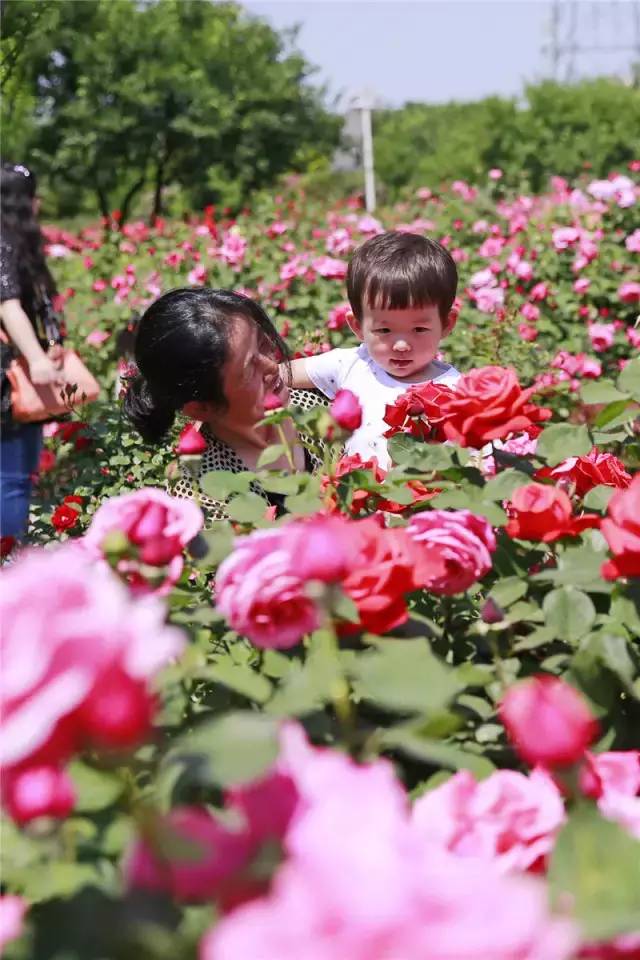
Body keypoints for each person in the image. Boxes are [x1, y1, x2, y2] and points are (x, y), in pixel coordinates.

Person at [124, 287, 326, 521]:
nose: (272, 366)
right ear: (202, 408)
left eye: (263, 344)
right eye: (250, 369)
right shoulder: (201, 493)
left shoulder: (311, 409)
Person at [286, 231, 461, 468]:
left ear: (446, 324)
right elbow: (281, 373)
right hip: (357, 498)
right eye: (384, 331)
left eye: (419, 329)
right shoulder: (352, 364)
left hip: (427, 502)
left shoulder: (457, 390)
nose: (401, 345)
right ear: (358, 326)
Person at [1, 162, 64, 543]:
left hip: (13, 370)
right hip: (8, 378)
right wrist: (38, 359)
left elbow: (36, 303)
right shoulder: (4, 241)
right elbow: (8, 305)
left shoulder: (17, 243)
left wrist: (51, 343)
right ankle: (9, 564)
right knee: (13, 480)